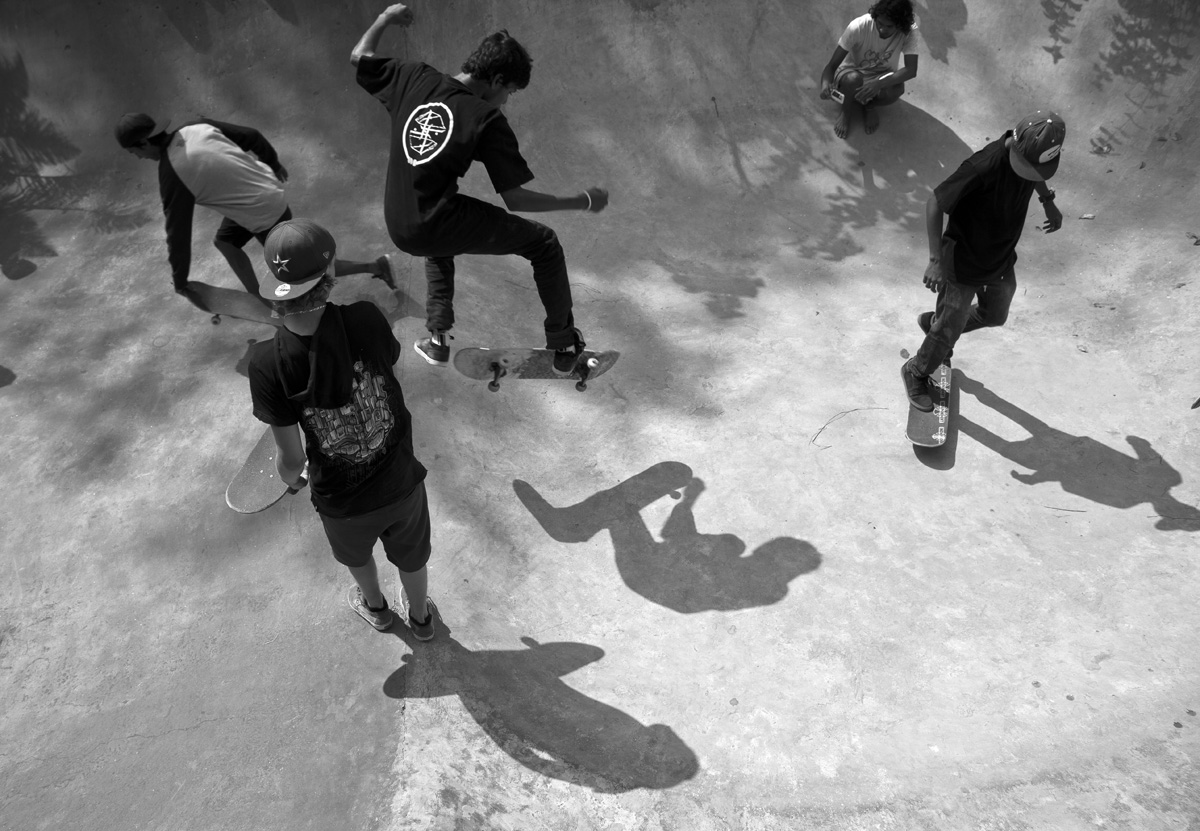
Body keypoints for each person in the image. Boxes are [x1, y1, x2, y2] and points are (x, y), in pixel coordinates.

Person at [351, 4, 609, 372]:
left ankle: (438, 339)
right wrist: (580, 201)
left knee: (441, 236)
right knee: (545, 245)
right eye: (511, 92)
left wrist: (386, 17)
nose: (506, 101)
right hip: (432, 223)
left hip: (398, 221)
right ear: (498, 80)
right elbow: (516, 199)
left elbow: (359, 57)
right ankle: (564, 344)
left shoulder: (414, 77)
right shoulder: (486, 118)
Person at [245, 218, 436, 639]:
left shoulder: (265, 364)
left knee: (357, 557)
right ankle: (421, 620)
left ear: (278, 288)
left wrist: (292, 480)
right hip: (400, 481)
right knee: (412, 556)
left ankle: (378, 610)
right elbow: (387, 358)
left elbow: (291, 459)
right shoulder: (367, 319)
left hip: (342, 501)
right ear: (330, 276)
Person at [115, 113, 394, 305]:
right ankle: (259, 298)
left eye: (135, 152)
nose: (140, 158)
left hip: (263, 213)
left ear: (143, 142)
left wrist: (180, 281)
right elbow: (251, 136)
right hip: (260, 190)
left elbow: (177, 234)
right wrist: (272, 163)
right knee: (225, 242)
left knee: (305, 272)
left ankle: (375, 265)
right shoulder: (195, 127)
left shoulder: (171, 175)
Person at [902, 110, 1066, 411]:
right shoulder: (983, 167)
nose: (1029, 175)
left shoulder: (1032, 159)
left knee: (995, 315)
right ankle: (917, 370)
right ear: (1016, 147)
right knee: (948, 328)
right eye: (1026, 168)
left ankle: (935, 327)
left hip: (1000, 260)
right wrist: (935, 259)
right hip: (963, 265)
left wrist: (1048, 202)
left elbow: (1037, 177)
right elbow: (935, 202)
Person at [819, 0, 921, 139]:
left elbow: (911, 70)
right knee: (853, 79)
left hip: (881, 76)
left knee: (897, 90)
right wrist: (825, 85)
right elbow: (831, 66)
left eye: (889, 26)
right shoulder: (858, 26)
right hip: (852, 72)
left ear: (900, 24)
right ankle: (846, 112)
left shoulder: (909, 32)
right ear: (875, 17)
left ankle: (869, 106)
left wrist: (878, 84)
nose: (882, 30)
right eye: (879, 23)